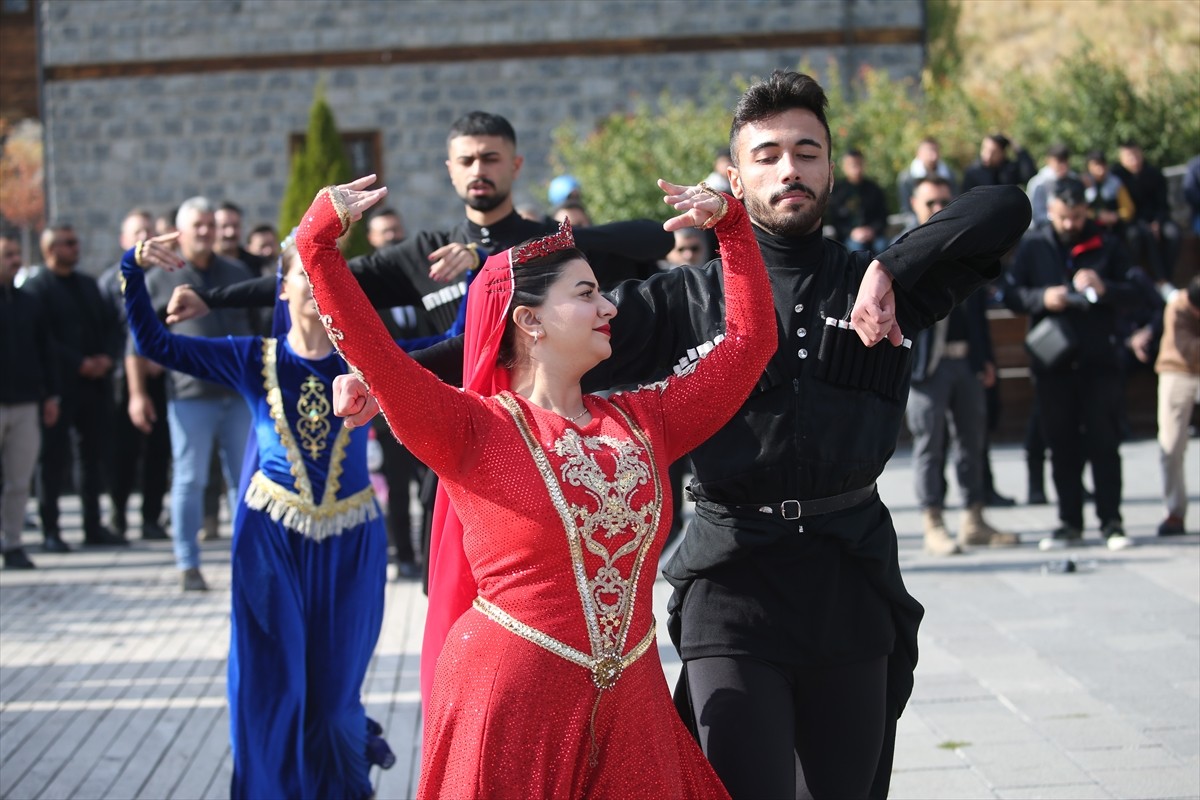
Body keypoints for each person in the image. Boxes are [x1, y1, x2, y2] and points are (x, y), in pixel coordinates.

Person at [335, 70, 1033, 799]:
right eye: (766, 155)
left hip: (850, 578)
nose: (790, 169)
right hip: (732, 580)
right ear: (735, 176)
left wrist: (894, 265)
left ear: (831, 164)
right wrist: (389, 382)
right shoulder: (687, 297)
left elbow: (1006, 205)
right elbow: (541, 336)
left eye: (808, 151)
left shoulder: (882, 285)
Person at [301, 172, 773, 798]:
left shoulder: (644, 421)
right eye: (586, 294)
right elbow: (376, 352)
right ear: (530, 320)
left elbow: (748, 345)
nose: (609, 307)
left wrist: (735, 230)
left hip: (633, 700)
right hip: (510, 702)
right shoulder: (469, 429)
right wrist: (317, 244)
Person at [123, 230, 391, 799]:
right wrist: (133, 267)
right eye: (306, 277)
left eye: (330, 281)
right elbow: (157, 345)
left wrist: (478, 277)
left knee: (336, 694)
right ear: (283, 286)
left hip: (350, 545)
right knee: (276, 685)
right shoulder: (254, 357)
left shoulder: (369, 359)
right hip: (272, 546)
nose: (318, 291)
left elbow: (456, 344)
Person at [167, 112, 669, 337]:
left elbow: (651, 236)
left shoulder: (549, 245)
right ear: (449, 170)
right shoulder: (424, 253)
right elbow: (315, 283)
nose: (479, 170)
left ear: (514, 166)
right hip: (458, 425)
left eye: (491, 158)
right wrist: (211, 296)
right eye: (467, 160)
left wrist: (503, 257)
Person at [1004, 178, 1141, 551]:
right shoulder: (1034, 246)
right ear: (1051, 211)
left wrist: (1105, 285)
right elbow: (1011, 294)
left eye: (1077, 217)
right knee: (1061, 444)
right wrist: (1043, 297)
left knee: (1104, 443)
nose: (1069, 224)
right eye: (1064, 217)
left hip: (1100, 363)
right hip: (1053, 365)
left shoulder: (1108, 245)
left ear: (1086, 212)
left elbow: (1140, 292)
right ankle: (1069, 522)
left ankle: (1111, 521)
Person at [138, 197, 257, 590]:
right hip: (189, 395)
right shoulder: (161, 276)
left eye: (211, 224)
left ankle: (251, 559)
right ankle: (188, 562)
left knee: (247, 479)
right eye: (198, 226)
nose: (207, 232)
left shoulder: (236, 271)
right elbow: (136, 339)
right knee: (189, 480)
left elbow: (260, 330)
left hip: (238, 394)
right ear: (181, 231)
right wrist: (138, 392)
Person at [904, 177, 1017, 555]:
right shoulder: (904, 249)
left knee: (973, 443)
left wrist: (986, 360)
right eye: (929, 202)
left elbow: (979, 313)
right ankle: (933, 521)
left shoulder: (967, 247)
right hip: (926, 368)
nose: (937, 208)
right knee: (930, 446)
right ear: (914, 205)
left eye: (943, 201)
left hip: (966, 360)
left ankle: (974, 519)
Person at [22, 224, 125, 550]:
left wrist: (106, 358)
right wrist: (77, 362)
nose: (75, 248)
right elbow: (43, 339)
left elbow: (110, 325)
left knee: (92, 458)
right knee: (53, 459)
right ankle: (51, 529)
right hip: (60, 384)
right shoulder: (38, 288)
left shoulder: (87, 284)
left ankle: (93, 525)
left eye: (76, 242)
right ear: (50, 249)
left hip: (95, 386)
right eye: (68, 243)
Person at [97, 209, 171, 541]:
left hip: (161, 377)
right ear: (124, 240)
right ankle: (117, 514)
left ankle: (151, 518)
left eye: (148, 232)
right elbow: (107, 330)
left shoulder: (163, 277)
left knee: (158, 451)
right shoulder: (109, 281)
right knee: (121, 451)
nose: (143, 238)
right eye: (136, 233)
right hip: (121, 379)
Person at [0, 231, 59, 569]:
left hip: (24, 404)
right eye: (7, 254)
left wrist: (51, 394)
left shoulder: (29, 303)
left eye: (15, 254)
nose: (14, 260)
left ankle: (12, 542)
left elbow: (45, 352)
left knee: (19, 480)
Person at [1154, 275, 1200, 536]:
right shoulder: (1178, 306)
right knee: (1171, 445)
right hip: (1178, 369)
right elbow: (1186, 348)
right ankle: (1174, 511)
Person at [1113, 141, 1182, 285]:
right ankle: (1143, 281)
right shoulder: (1117, 177)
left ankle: (1167, 278)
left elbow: (1163, 205)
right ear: (1121, 158)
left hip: (1158, 219)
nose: (1134, 161)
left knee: (1174, 234)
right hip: (1133, 222)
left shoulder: (1155, 174)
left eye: (1136, 155)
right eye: (1129, 157)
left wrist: (1157, 222)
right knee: (1141, 235)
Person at [828, 147, 889, 252]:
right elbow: (835, 220)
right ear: (845, 167)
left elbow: (882, 215)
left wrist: (872, 230)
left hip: (874, 235)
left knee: (884, 248)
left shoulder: (873, 188)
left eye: (859, 164)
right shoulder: (837, 191)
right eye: (853, 165)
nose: (857, 169)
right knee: (858, 250)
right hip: (849, 237)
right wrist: (852, 232)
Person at [897, 137, 957, 226]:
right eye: (929, 152)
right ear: (919, 153)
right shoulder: (906, 178)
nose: (933, 156)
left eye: (936, 151)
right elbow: (906, 209)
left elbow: (955, 200)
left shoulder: (949, 174)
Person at [1084, 150, 1136, 235]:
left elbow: (1128, 209)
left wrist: (1115, 216)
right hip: (1090, 225)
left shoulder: (1115, 183)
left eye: (1102, 164)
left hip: (1115, 225)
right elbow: (1079, 211)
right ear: (1089, 167)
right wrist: (1097, 215)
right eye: (1096, 165)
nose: (1100, 169)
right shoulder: (1082, 184)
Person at [1026, 143, 1078, 227]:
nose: (1062, 165)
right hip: (1043, 228)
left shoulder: (1074, 179)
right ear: (1048, 160)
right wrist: (1058, 219)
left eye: (1064, 160)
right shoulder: (1039, 182)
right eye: (1059, 161)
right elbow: (1036, 214)